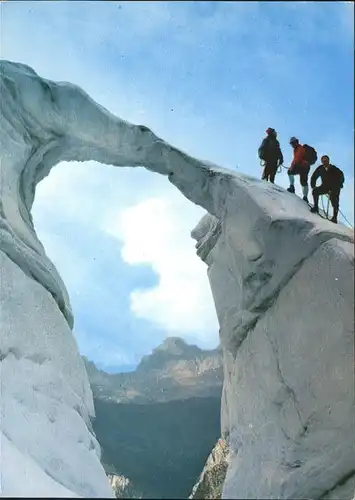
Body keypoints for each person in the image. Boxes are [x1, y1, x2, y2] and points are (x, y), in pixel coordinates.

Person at [310, 155, 345, 223]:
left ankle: (334, 217)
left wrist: (339, 185)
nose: (324, 162)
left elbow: (341, 176)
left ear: (328, 161)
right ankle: (316, 207)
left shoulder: (335, 169)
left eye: (326, 161)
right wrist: (313, 185)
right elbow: (314, 177)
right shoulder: (320, 169)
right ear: (321, 162)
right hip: (325, 186)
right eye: (323, 161)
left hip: (335, 187)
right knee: (315, 191)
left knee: (334, 200)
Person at [286, 137, 310, 202]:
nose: (292, 145)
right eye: (291, 144)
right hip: (304, 166)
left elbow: (297, 158)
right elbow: (296, 159)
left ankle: (292, 187)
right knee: (303, 181)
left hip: (302, 166)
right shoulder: (297, 148)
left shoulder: (300, 148)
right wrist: (292, 166)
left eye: (293, 143)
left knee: (290, 172)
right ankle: (305, 197)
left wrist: (292, 166)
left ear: (296, 142)